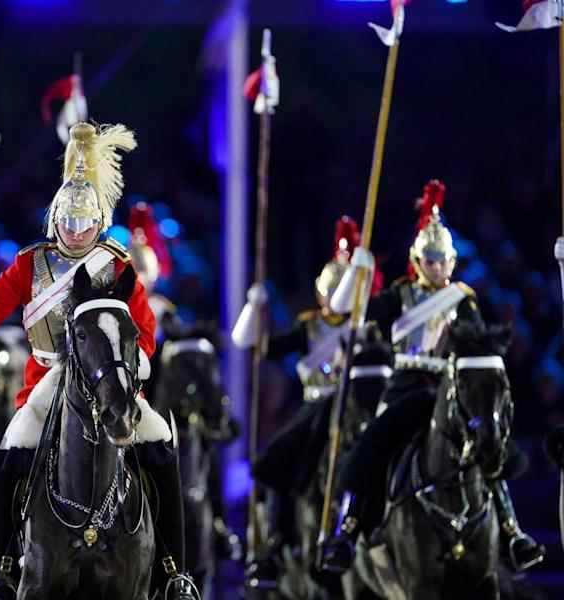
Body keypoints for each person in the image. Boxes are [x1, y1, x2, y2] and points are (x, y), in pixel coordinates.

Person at [0, 122, 200, 599]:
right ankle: (3, 567)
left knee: (161, 441)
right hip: (47, 380)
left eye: (86, 223)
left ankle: (173, 569)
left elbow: (144, 333)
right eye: (69, 221)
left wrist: (129, 371)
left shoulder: (117, 265)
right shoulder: (31, 264)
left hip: (111, 380)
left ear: (98, 221)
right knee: (12, 447)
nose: (77, 230)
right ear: (55, 218)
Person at [318, 180, 544, 574]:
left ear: (452, 261)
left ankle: (512, 531)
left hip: (450, 389)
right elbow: (345, 315)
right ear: (417, 260)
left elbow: (479, 347)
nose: (437, 268)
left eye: (443, 261)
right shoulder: (398, 296)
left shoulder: (463, 299)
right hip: (406, 386)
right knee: (375, 445)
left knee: (487, 445)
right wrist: (357, 274)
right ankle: (349, 530)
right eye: (431, 261)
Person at [233, 216, 373, 587]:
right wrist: (254, 307)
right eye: (328, 292)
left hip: (357, 405)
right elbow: (259, 347)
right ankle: (276, 544)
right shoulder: (309, 327)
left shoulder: (366, 325)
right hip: (316, 408)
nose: (332, 299)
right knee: (277, 461)